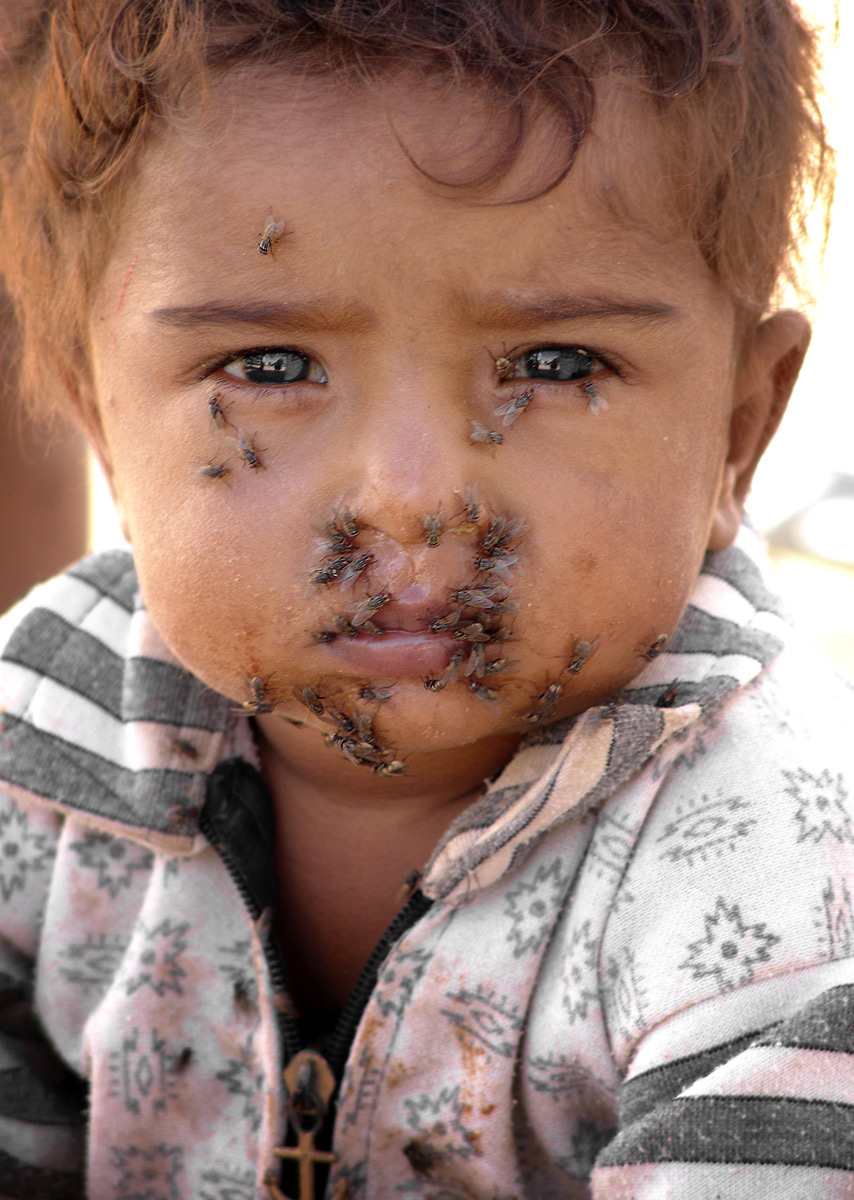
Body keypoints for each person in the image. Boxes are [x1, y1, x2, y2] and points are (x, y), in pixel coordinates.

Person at [0, 2, 849, 1198]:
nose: (412, 499)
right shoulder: (40, 734)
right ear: (102, 429)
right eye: (270, 368)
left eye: (555, 366)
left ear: (738, 430)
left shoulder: (783, 876)